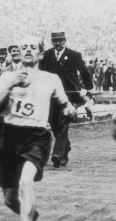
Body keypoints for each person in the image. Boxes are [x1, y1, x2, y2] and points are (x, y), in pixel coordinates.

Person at [0, 35, 74, 221]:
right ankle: (29, 212)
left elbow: (65, 102)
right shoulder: (6, 76)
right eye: (23, 46)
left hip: (37, 136)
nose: (27, 50)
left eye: (32, 47)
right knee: (9, 199)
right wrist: (11, 84)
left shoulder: (51, 78)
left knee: (26, 181)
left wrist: (69, 109)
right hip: (9, 136)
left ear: (40, 54)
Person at [39, 31, 93, 168]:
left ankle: (58, 156)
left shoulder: (74, 55)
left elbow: (85, 72)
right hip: (51, 96)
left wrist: (89, 88)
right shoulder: (46, 55)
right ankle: (65, 146)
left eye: (60, 41)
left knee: (63, 124)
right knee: (53, 123)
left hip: (69, 96)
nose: (57, 43)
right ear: (52, 41)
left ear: (64, 41)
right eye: (55, 41)